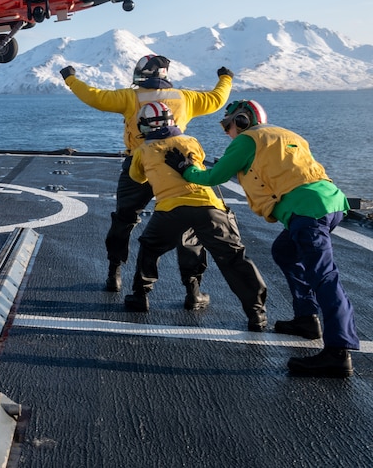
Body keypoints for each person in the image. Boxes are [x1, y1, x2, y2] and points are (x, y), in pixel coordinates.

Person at [166, 99, 360, 377]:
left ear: (242, 121)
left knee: (325, 277)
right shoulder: (287, 135)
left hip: (306, 211)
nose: (226, 131)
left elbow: (213, 177)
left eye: (227, 124)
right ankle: (307, 318)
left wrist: (186, 169)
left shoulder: (247, 140)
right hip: (331, 203)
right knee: (285, 251)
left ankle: (338, 352)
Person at [59, 55, 233, 302]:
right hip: (178, 165)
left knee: (125, 219)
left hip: (139, 161)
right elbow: (217, 98)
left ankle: (114, 274)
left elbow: (94, 96)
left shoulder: (131, 97)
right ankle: (193, 291)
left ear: (140, 75)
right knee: (188, 222)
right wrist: (225, 78)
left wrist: (71, 79)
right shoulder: (186, 97)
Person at [124, 102, 268, 331]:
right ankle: (254, 313)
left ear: (144, 125)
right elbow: (199, 159)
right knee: (232, 258)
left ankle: (140, 296)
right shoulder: (190, 142)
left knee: (150, 247)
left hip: (170, 209)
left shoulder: (142, 150)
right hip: (209, 207)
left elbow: (137, 177)